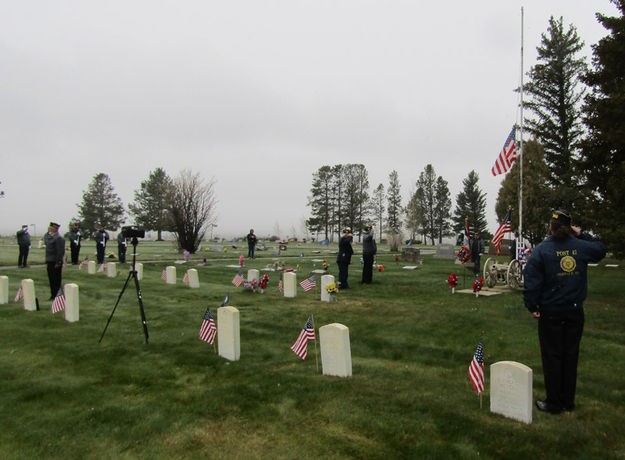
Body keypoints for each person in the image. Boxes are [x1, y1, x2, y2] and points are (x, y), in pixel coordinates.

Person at [523, 209, 606, 414]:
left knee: (552, 356)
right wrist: (582, 234)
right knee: (570, 356)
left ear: (551, 227)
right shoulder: (581, 247)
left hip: (550, 312)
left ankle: (554, 402)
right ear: (570, 229)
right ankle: (567, 401)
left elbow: (532, 281)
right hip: (574, 312)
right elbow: (600, 249)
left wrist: (532, 306)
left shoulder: (542, 251)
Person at [44, 222, 65, 300]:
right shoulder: (50, 237)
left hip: (55, 261)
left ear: (55, 229)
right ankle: (53, 295)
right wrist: (48, 233)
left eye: (51, 228)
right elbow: (46, 240)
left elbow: (60, 252)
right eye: (49, 228)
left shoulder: (59, 238)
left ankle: (57, 295)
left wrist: (58, 262)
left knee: (56, 280)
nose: (50, 229)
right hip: (49, 260)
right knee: (51, 279)